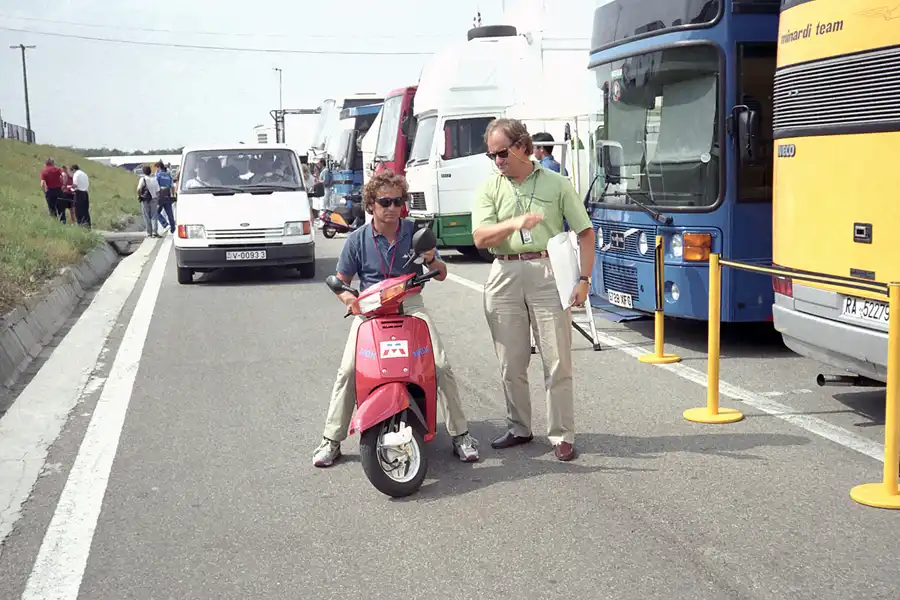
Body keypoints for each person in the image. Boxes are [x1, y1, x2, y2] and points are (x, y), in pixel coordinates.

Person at [312, 170, 480, 468]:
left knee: (440, 366)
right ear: (371, 205)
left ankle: (461, 435)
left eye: (398, 201)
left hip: (410, 304)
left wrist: (429, 257)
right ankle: (332, 439)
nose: (392, 208)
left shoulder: (414, 232)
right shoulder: (357, 240)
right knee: (349, 370)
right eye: (384, 201)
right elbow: (341, 281)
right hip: (371, 309)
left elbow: (440, 274)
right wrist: (351, 301)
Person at [471, 118, 595, 462]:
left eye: (502, 153)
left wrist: (584, 279)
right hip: (505, 270)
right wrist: (514, 223)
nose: (497, 161)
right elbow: (480, 237)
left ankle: (561, 435)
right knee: (511, 361)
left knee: (557, 360)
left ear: (523, 146)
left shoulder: (557, 183)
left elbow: (585, 232)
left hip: (547, 269)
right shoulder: (490, 187)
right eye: (491, 155)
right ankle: (519, 426)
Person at [137, 165, 161, 238]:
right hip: (154, 199)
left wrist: (139, 196)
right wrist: (157, 198)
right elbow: (158, 191)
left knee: (147, 216)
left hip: (145, 200)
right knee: (154, 216)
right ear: (150, 171)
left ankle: (149, 233)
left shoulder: (143, 179)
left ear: (144, 172)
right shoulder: (154, 179)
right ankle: (155, 232)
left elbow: (138, 189)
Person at [39, 158, 65, 222]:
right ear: (53, 163)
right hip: (59, 190)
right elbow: (64, 175)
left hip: (50, 191)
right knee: (61, 208)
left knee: (52, 209)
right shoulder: (58, 169)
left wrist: (45, 191)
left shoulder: (44, 171)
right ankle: (63, 221)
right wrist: (63, 184)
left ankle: (55, 222)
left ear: (45, 164)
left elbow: (42, 183)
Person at [155, 161, 176, 234]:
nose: (156, 170)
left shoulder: (158, 175)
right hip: (168, 195)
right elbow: (172, 187)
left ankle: (165, 224)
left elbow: (156, 186)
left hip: (160, 196)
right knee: (170, 213)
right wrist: (173, 196)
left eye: (156, 168)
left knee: (155, 212)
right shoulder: (168, 176)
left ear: (159, 167)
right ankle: (173, 229)